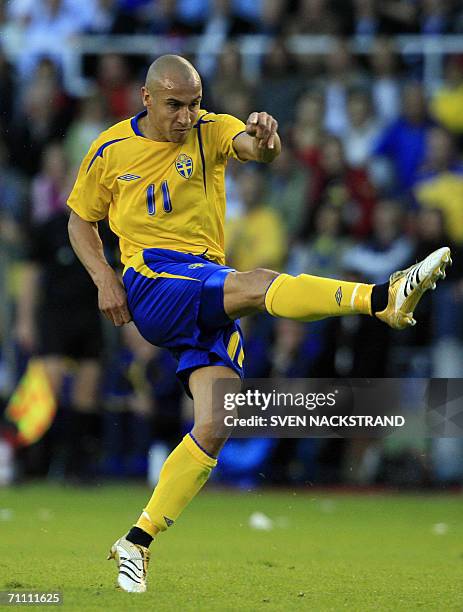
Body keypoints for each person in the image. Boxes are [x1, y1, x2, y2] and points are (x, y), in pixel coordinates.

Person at [66, 54, 451, 593]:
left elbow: (255, 149)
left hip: (203, 281)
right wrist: (105, 278)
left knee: (216, 421)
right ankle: (382, 298)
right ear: (147, 99)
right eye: (175, 105)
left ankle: (138, 540)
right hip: (153, 281)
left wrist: (267, 139)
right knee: (258, 282)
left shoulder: (210, 129)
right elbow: (80, 218)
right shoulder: (109, 149)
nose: (186, 116)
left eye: (195, 103)